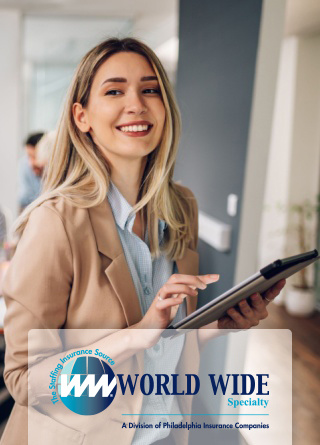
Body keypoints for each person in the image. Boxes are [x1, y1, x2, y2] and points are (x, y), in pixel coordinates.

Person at [1, 38, 285, 445]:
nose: (136, 103)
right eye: (114, 91)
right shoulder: (56, 222)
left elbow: (163, 348)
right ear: (82, 117)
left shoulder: (181, 205)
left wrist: (215, 326)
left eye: (150, 89)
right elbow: (26, 380)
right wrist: (138, 331)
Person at [18, 132, 44, 212]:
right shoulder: (24, 164)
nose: (31, 163)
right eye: (28, 156)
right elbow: (23, 198)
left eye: (34, 156)